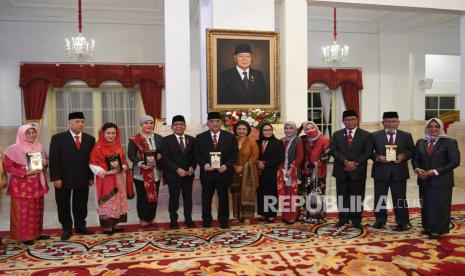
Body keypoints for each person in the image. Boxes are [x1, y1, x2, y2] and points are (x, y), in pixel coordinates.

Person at [49, 112, 96, 241]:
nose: (80, 124)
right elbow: (54, 160)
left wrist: (91, 177)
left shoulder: (90, 139)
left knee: (81, 203)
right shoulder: (58, 138)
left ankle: (81, 226)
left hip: (83, 177)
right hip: (63, 178)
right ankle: (67, 228)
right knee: (63, 203)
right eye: (77, 121)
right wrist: (56, 178)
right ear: (69, 123)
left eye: (82, 122)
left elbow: (92, 160)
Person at [413, 118, 460, 239]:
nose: (433, 129)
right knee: (426, 205)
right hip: (424, 180)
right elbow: (415, 159)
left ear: (441, 128)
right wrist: (417, 169)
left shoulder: (449, 142)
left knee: (441, 206)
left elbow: (455, 162)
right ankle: (428, 227)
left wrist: (435, 172)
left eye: (436, 126)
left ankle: (439, 229)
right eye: (430, 126)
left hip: (442, 180)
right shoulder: (420, 142)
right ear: (426, 128)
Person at [3, 124, 50, 245]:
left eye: (33, 132)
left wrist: (44, 163)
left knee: (37, 208)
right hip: (21, 185)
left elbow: (45, 162)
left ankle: (37, 233)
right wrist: (25, 173)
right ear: (21, 134)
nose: (31, 135)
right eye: (27, 132)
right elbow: (8, 167)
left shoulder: (39, 146)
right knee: (23, 210)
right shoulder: (13, 149)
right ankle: (23, 236)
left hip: (37, 183)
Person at [371, 111, 415, 231]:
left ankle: (402, 221)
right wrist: (377, 157)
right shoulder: (374, 135)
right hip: (381, 171)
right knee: (380, 198)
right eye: (388, 121)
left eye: (394, 121)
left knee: (400, 198)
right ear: (383, 122)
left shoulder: (406, 136)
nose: (391, 124)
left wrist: (404, 156)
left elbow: (412, 151)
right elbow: (369, 152)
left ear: (398, 122)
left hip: (399, 172)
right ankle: (380, 220)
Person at [194, 112, 238, 229]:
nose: (215, 124)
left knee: (223, 197)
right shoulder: (200, 137)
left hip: (223, 173)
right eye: (212, 121)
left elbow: (234, 153)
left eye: (217, 121)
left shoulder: (230, 136)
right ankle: (207, 220)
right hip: (207, 173)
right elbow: (196, 154)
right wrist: (204, 164)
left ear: (221, 123)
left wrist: (227, 165)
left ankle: (223, 220)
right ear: (208, 123)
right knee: (206, 197)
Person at [331, 110, 373, 229]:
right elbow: (334, 150)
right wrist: (345, 162)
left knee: (357, 195)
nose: (350, 122)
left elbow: (368, 152)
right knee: (342, 195)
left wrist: (356, 163)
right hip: (341, 169)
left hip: (358, 170)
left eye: (352, 119)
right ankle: (343, 218)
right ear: (343, 121)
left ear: (357, 120)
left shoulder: (366, 135)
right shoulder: (337, 134)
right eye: (347, 120)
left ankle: (356, 219)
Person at [89, 123, 134, 234]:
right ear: (102, 133)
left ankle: (114, 224)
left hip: (118, 179)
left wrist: (123, 167)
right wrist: (104, 172)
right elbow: (92, 163)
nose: (111, 135)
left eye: (113, 133)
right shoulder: (98, 147)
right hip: (105, 179)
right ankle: (107, 227)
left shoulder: (118, 146)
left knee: (117, 202)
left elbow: (123, 161)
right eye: (108, 133)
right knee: (107, 201)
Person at [160, 115, 196, 229]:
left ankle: (188, 219)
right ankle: (173, 220)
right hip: (173, 175)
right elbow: (165, 158)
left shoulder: (191, 139)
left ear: (185, 126)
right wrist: (177, 169)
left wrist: (192, 167)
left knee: (188, 198)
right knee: (174, 198)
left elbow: (194, 156)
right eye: (176, 125)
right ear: (172, 127)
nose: (179, 127)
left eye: (181, 124)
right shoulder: (166, 140)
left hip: (188, 175)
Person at [128, 115, 163, 228]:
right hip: (141, 173)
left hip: (155, 172)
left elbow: (163, 152)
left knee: (154, 195)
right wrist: (141, 164)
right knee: (143, 197)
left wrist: (160, 155)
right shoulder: (135, 139)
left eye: (151, 123)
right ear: (141, 125)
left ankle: (151, 217)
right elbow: (131, 155)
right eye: (146, 123)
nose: (149, 125)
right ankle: (143, 218)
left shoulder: (159, 138)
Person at [299, 121, 331, 224]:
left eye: (312, 127)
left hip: (319, 172)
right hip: (306, 172)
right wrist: (300, 128)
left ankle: (318, 217)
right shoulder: (303, 140)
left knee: (317, 194)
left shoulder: (324, 139)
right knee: (306, 193)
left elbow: (327, 155)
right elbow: (293, 138)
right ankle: (305, 216)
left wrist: (316, 163)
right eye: (307, 129)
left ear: (316, 127)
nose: (310, 130)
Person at [231, 120, 259, 225]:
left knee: (247, 194)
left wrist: (243, 167)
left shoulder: (252, 142)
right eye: (239, 129)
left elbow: (254, 157)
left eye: (244, 129)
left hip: (249, 173)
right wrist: (234, 166)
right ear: (235, 130)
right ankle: (238, 215)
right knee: (236, 193)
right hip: (234, 172)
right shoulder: (232, 140)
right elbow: (228, 154)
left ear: (247, 130)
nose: (241, 131)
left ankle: (247, 216)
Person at [256, 123, 284, 223]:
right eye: (265, 130)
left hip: (272, 171)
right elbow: (254, 155)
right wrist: (257, 162)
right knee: (261, 193)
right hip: (259, 172)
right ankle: (263, 214)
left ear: (272, 131)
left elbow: (280, 158)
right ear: (262, 132)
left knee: (271, 193)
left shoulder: (278, 143)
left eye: (269, 130)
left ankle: (271, 214)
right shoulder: (257, 142)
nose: (267, 132)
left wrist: (266, 164)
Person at [277, 121, 303, 224]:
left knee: (292, 194)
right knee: (283, 193)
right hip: (281, 170)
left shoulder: (298, 140)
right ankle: (285, 215)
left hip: (292, 171)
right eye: (286, 128)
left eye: (290, 128)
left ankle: (292, 216)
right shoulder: (281, 140)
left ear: (294, 129)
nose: (288, 130)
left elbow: (300, 157)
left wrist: (291, 170)